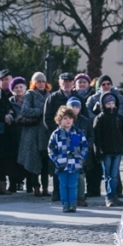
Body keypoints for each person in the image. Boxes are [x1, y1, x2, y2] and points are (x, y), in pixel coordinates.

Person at [48, 105, 88, 213]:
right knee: (63, 185)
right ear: (60, 120)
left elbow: (84, 146)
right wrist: (56, 160)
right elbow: (51, 148)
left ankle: (72, 204)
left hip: (75, 164)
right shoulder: (56, 134)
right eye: (65, 118)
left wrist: (81, 158)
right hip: (61, 164)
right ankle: (65, 204)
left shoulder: (78, 133)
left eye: (70, 118)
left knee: (73, 185)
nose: (68, 121)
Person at [44, 72, 78, 200]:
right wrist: (59, 132)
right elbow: (47, 119)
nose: (67, 84)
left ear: (73, 83)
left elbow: (82, 117)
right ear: (59, 83)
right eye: (64, 81)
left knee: (73, 168)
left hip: (74, 138)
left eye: (69, 81)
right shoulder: (52, 98)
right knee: (58, 167)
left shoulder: (77, 97)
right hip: (59, 139)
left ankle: (73, 196)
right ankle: (57, 192)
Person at [92, 92, 123, 207]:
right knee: (107, 174)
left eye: (112, 103)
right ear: (103, 105)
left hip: (117, 150)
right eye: (108, 103)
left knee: (114, 174)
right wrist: (98, 151)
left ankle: (113, 195)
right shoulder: (100, 118)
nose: (111, 105)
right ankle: (109, 196)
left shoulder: (120, 118)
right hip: (106, 151)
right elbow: (96, 138)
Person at [17, 72, 50, 197]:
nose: (41, 84)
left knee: (46, 160)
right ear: (34, 83)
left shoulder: (49, 95)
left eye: (43, 81)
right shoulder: (29, 94)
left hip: (45, 132)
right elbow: (25, 110)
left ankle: (46, 187)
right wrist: (42, 111)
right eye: (38, 81)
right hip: (32, 132)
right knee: (33, 159)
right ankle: (36, 186)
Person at [67, 96, 93, 207]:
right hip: (68, 153)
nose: (75, 109)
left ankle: (80, 197)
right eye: (72, 106)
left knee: (80, 176)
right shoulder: (65, 120)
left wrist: (87, 147)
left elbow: (91, 136)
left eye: (77, 106)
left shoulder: (86, 121)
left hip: (81, 152)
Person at [8, 77, 29, 193]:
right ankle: (14, 183)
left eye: (21, 87)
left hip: (28, 132)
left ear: (25, 88)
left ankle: (29, 184)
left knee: (28, 158)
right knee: (13, 160)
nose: (19, 89)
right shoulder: (9, 102)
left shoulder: (29, 100)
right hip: (14, 134)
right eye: (16, 87)